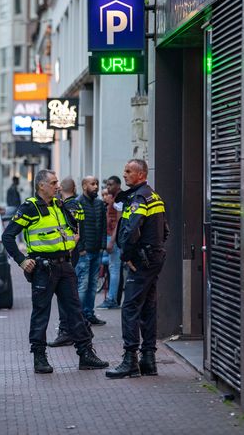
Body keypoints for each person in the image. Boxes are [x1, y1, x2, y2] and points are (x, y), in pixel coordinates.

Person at [2, 169, 109, 374]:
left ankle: (85, 354)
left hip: (64, 265)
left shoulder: (59, 205)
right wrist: (22, 261)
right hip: (44, 268)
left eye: (57, 182)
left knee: (75, 311)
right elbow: (7, 236)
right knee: (41, 313)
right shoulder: (30, 207)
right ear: (41, 185)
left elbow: (70, 230)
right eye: (53, 182)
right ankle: (39, 358)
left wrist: (72, 241)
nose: (57, 186)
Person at [106, 159, 169, 379]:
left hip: (141, 260)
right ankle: (148, 359)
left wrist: (127, 256)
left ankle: (130, 360)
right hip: (155, 256)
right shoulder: (154, 195)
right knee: (148, 307)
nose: (124, 175)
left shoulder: (139, 198)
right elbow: (166, 229)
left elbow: (131, 229)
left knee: (130, 307)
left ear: (141, 174)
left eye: (128, 171)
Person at [48, 177, 85, 347]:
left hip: (68, 254)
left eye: (57, 185)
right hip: (73, 253)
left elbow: (72, 232)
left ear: (61, 188)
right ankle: (79, 328)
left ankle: (66, 331)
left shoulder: (67, 206)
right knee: (69, 295)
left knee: (66, 295)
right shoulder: (77, 204)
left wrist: (67, 249)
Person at [75, 176, 108, 326]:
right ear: (84, 186)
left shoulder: (100, 204)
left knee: (93, 285)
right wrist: (81, 249)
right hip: (84, 252)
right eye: (92, 184)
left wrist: (102, 246)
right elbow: (75, 228)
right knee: (83, 284)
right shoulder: (78, 203)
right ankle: (79, 316)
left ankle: (89, 313)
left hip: (97, 251)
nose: (96, 187)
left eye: (97, 184)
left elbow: (103, 226)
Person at [98, 175, 123, 309]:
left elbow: (119, 222)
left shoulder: (118, 199)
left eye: (110, 185)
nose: (108, 188)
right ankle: (113, 298)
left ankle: (112, 299)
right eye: (107, 185)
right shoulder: (112, 199)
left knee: (114, 269)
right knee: (111, 267)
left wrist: (112, 241)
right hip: (109, 237)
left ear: (118, 185)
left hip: (113, 238)